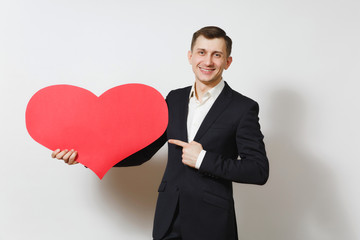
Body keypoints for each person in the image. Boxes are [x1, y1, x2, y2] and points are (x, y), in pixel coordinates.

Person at [52, 26, 269, 240]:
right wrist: (86, 156)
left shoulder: (242, 108)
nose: (208, 61)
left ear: (227, 62)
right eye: (202, 52)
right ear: (190, 56)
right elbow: (143, 152)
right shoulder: (174, 100)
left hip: (211, 223)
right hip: (168, 220)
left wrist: (203, 159)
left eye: (217, 55)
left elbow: (258, 170)